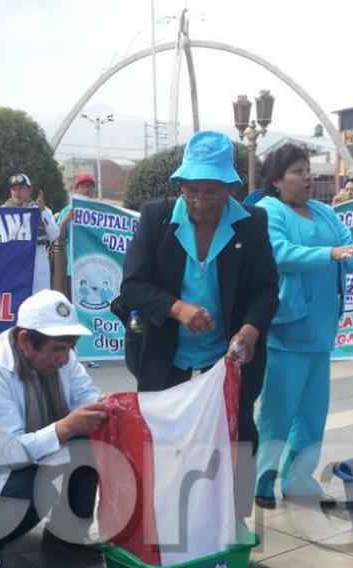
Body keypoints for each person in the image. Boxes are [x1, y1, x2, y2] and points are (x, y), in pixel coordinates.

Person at [119, 130, 279, 514]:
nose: (201, 201)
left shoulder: (252, 223)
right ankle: (161, 513)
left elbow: (266, 290)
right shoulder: (157, 218)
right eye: (192, 190)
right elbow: (133, 288)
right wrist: (178, 308)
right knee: (161, 431)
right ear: (181, 185)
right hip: (164, 348)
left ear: (229, 188)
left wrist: (250, 331)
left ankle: (236, 516)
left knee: (237, 433)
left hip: (229, 353)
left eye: (211, 192)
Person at [253, 143, 353, 508]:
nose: (308, 177)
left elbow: (347, 249)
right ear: (276, 180)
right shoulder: (267, 211)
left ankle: (299, 482)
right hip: (286, 331)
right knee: (278, 412)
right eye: (298, 171)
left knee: (311, 414)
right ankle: (261, 482)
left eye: (308, 170)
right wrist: (332, 254)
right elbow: (280, 254)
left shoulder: (322, 212)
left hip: (321, 331)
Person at [0, 290, 107, 568]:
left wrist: (104, 409)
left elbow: (86, 394)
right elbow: (9, 453)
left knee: (94, 440)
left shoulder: (62, 356)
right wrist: (64, 429)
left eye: (69, 349)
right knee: (49, 472)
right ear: (25, 341)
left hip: (34, 459)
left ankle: (67, 537)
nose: (65, 359)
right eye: (57, 350)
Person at [2, 173, 60, 294]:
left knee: (39, 297)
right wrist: (4, 212)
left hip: (37, 258)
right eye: (14, 189)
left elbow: (54, 235)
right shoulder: (3, 210)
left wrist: (43, 211)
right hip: (14, 259)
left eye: (21, 188)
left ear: (29, 189)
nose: (17, 192)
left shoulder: (41, 209)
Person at [51, 173, 98, 297]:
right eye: (82, 186)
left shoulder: (101, 210)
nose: (87, 189)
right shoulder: (68, 210)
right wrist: (66, 220)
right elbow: (58, 237)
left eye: (90, 186)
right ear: (76, 190)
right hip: (75, 267)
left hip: (98, 268)